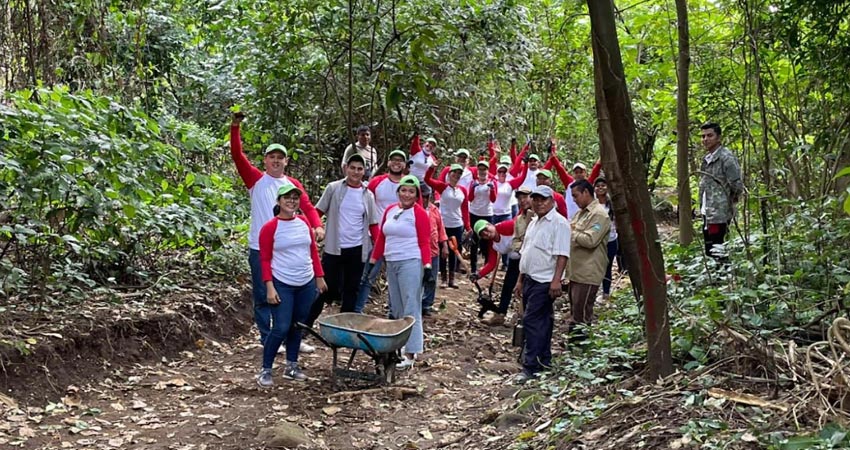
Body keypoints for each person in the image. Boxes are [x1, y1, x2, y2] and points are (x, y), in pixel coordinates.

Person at [229, 112, 324, 354]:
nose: (276, 161)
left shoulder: (292, 184)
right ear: (265, 161)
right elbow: (237, 156)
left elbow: (308, 206)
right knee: (263, 295)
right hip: (262, 248)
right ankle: (267, 337)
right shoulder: (256, 180)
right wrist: (235, 127)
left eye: (280, 158)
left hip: (289, 249)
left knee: (294, 295)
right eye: (272, 157)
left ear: (286, 161)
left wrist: (317, 225)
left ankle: (293, 336)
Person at [257, 185, 328, 386]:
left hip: (305, 282)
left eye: (295, 198)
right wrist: (269, 287)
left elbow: (312, 250)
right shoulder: (270, 227)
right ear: (279, 201)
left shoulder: (304, 222)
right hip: (282, 282)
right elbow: (264, 260)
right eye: (287, 198)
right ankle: (266, 369)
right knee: (280, 327)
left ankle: (292, 366)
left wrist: (319, 276)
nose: (292, 201)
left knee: (297, 326)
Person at [306, 154, 380, 328]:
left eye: (359, 169)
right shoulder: (334, 188)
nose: (355, 172)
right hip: (334, 248)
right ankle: (305, 325)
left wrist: (380, 248)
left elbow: (373, 224)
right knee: (324, 288)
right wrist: (309, 228)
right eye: (352, 168)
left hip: (357, 249)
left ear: (364, 172)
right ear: (346, 168)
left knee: (351, 290)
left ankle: (343, 329)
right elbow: (317, 212)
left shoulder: (367, 194)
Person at [369, 175, 433, 369]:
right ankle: (396, 348)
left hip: (410, 261)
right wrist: (373, 261)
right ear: (398, 192)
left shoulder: (419, 213)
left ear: (416, 195)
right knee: (395, 307)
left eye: (411, 191)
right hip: (392, 261)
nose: (406, 194)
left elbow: (424, 242)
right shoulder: (390, 210)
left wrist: (428, 266)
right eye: (403, 190)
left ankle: (411, 353)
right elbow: (381, 238)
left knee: (411, 306)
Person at [513, 185, 571, 383]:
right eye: (536, 199)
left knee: (532, 321)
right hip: (530, 278)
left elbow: (562, 254)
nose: (539, 203)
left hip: (544, 280)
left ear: (552, 201)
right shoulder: (533, 222)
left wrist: (556, 281)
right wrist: (520, 280)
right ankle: (543, 361)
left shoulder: (559, 223)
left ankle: (530, 366)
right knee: (542, 322)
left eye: (543, 199)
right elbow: (526, 252)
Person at [355, 149, 408, 313]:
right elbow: (364, 201)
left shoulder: (408, 184)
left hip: (398, 239)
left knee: (396, 277)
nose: (397, 163)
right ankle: (357, 310)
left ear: (404, 165)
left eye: (400, 160)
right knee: (368, 275)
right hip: (375, 236)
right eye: (394, 160)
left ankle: (394, 312)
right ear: (389, 163)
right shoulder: (377, 182)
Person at [471, 186, 533, 326]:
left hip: (527, 257)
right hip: (514, 259)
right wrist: (478, 275)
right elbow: (491, 264)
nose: (487, 234)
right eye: (483, 234)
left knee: (525, 287)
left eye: (486, 229)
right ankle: (501, 314)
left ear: (490, 224)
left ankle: (525, 316)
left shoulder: (505, 226)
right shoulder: (492, 244)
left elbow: (523, 227)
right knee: (507, 287)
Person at [567, 179, 611, 343]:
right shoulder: (581, 213)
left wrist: (572, 232)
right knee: (575, 311)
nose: (574, 200)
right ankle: (574, 350)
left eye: (576, 196)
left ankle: (582, 350)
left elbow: (590, 240)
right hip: (576, 270)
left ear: (586, 192)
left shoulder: (599, 214)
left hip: (588, 271)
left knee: (582, 313)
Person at [698, 122, 743, 262]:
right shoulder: (707, 159)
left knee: (719, 248)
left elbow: (736, 184)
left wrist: (727, 203)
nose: (706, 139)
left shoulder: (726, 158)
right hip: (707, 211)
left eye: (709, 135)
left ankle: (723, 278)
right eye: (703, 136)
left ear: (718, 137)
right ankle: (714, 279)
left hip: (719, 212)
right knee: (709, 248)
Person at [424, 164, 471, 289]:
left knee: (455, 251)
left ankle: (452, 278)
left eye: (459, 173)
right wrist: (431, 168)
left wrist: (468, 226)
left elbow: (465, 209)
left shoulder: (463, 190)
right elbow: (427, 180)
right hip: (444, 224)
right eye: (454, 173)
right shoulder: (443, 187)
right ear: (449, 174)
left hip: (457, 224)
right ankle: (443, 278)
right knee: (443, 251)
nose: (456, 175)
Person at [545, 142, 602, 219]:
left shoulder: (588, 183)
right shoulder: (569, 184)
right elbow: (559, 169)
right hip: (570, 220)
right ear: (573, 174)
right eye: (576, 172)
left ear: (585, 173)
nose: (578, 174)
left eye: (581, 172)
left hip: (587, 219)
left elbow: (596, 169)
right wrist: (552, 153)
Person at [421, 184, 448, 316]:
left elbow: (440, 228)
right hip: (419, 251)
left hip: (433, 250)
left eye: (426, 196)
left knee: (431, 279)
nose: (424, 199)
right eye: (422, 196)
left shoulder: (434, 210)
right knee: (418, 279)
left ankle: (427, 304)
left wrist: (445, 245)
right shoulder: (413, 210)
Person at [467, 160, 497, 275]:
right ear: (478, 171)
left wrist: (492, 189)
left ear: (487, 171)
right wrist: (473, 189)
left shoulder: (492, 182)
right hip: (474, 213)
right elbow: (470, 198)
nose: (482, 172)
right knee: (474, 240)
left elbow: (493, 200)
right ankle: (473, 268)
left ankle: (486, 266)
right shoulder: (473, 182)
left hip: (487, 214)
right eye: (480, 169)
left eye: (484, 169)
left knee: (487, 241)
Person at [594, 178, 621, 300]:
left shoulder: (613, 204)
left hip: (611, 239)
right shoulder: (592, 204)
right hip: (596, 240)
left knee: (607, 266)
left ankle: (606, 292)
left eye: (603, 185)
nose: (600, 188)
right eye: (597, 186)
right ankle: (593, 292)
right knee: (595, 266)